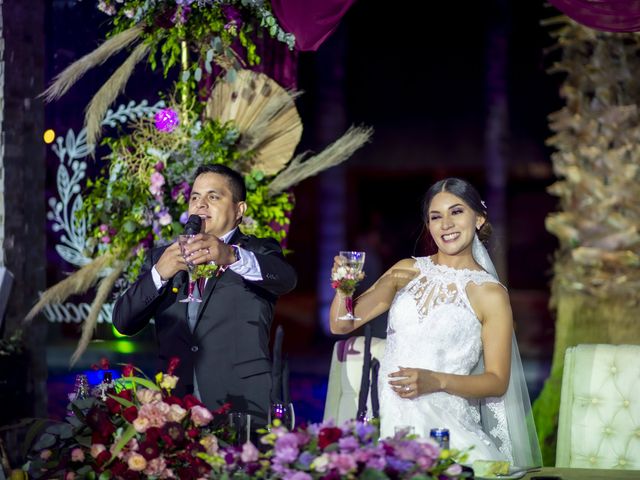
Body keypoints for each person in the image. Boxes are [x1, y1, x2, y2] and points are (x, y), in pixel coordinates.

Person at [330, 178, 541, 467]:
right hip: (394, 436)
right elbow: (341, 324)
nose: (446, 224)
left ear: (478, 218)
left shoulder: (490, 294)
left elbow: (496, 381)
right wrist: (344, 285)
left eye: (456, 212)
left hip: (449, 439)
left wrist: (435, 381)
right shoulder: (405, 270)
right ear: (428, 225)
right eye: (436, 216)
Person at [113, 164, 297, 425]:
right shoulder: (164, 257)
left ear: (239, 210)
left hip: (240, 407)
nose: (200, 205)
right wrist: (159, 273)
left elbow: (286, 279)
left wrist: (230, 256)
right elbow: (123, 322)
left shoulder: (257, 251)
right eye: (195, 198)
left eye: (213, 197)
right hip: (175, 412)